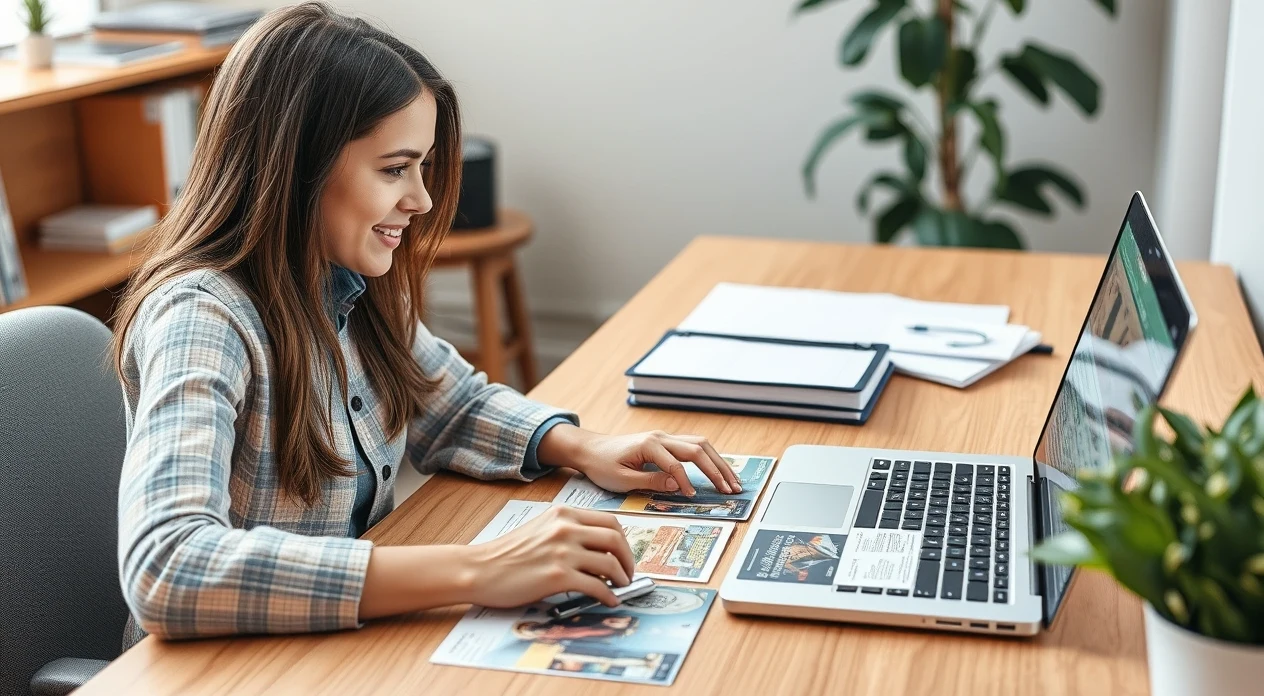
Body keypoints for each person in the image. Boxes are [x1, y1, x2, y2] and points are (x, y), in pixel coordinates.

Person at [112, 2, 740, 647]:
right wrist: (479, 568)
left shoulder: (349, 283)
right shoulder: (202, 317)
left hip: (329, 648)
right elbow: (167, 566)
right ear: (295, 164)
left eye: (423, 166)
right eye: (393, 169)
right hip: (221, 669)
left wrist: (583, 448)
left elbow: (453, 403)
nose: (423, 200)